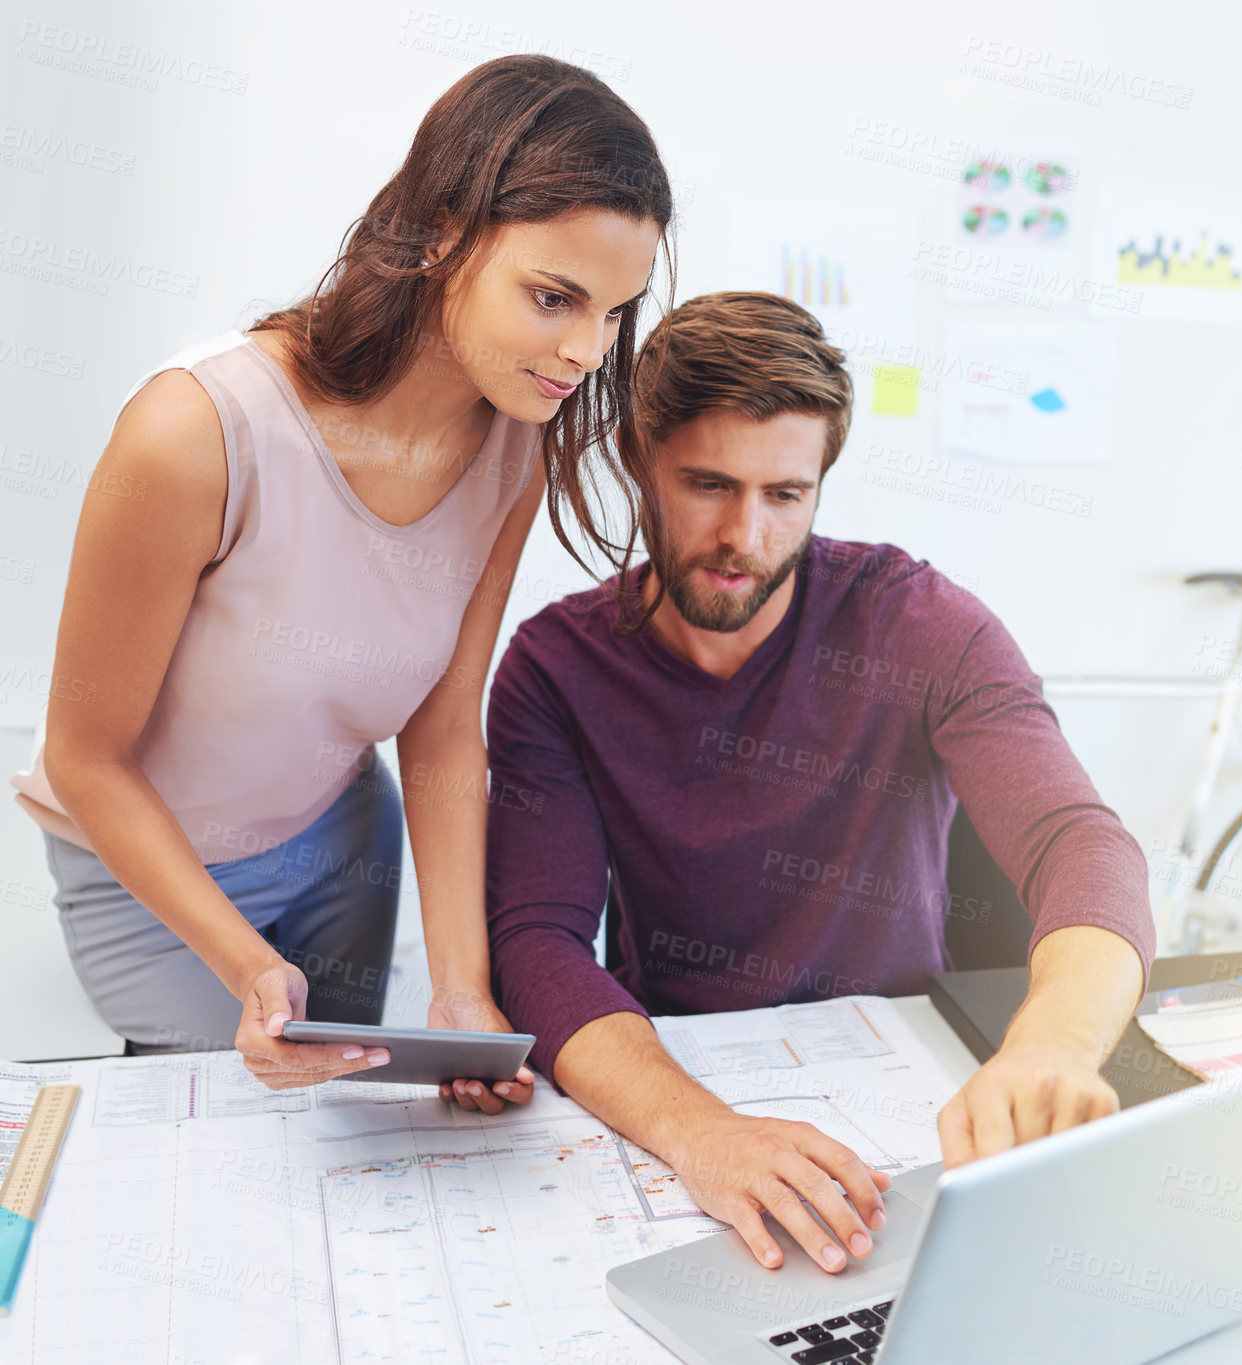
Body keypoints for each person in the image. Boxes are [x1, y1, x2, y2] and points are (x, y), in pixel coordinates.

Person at [10, 56, 671, 1113]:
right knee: (218, 1135)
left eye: (612, 313)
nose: (585, 353)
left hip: (337, 846)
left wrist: (461, 989)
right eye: (554, 298)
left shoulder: (516, 440)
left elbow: (446, 719)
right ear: (445, 231)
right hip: (143, 865)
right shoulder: (194, 432)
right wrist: (246, 970)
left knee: (336, 1131)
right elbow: (89, 758)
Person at [482, 291, 1155, 1271]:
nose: (743, 537)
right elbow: (537, 942)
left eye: (784, 495)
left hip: (903, 1086)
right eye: (708, 485)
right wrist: (702, 1133)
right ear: (638, 459)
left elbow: (1081, 845)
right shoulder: (556, 668)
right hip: (674, 1079)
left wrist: (1051, 1045)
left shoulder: (920, 625)